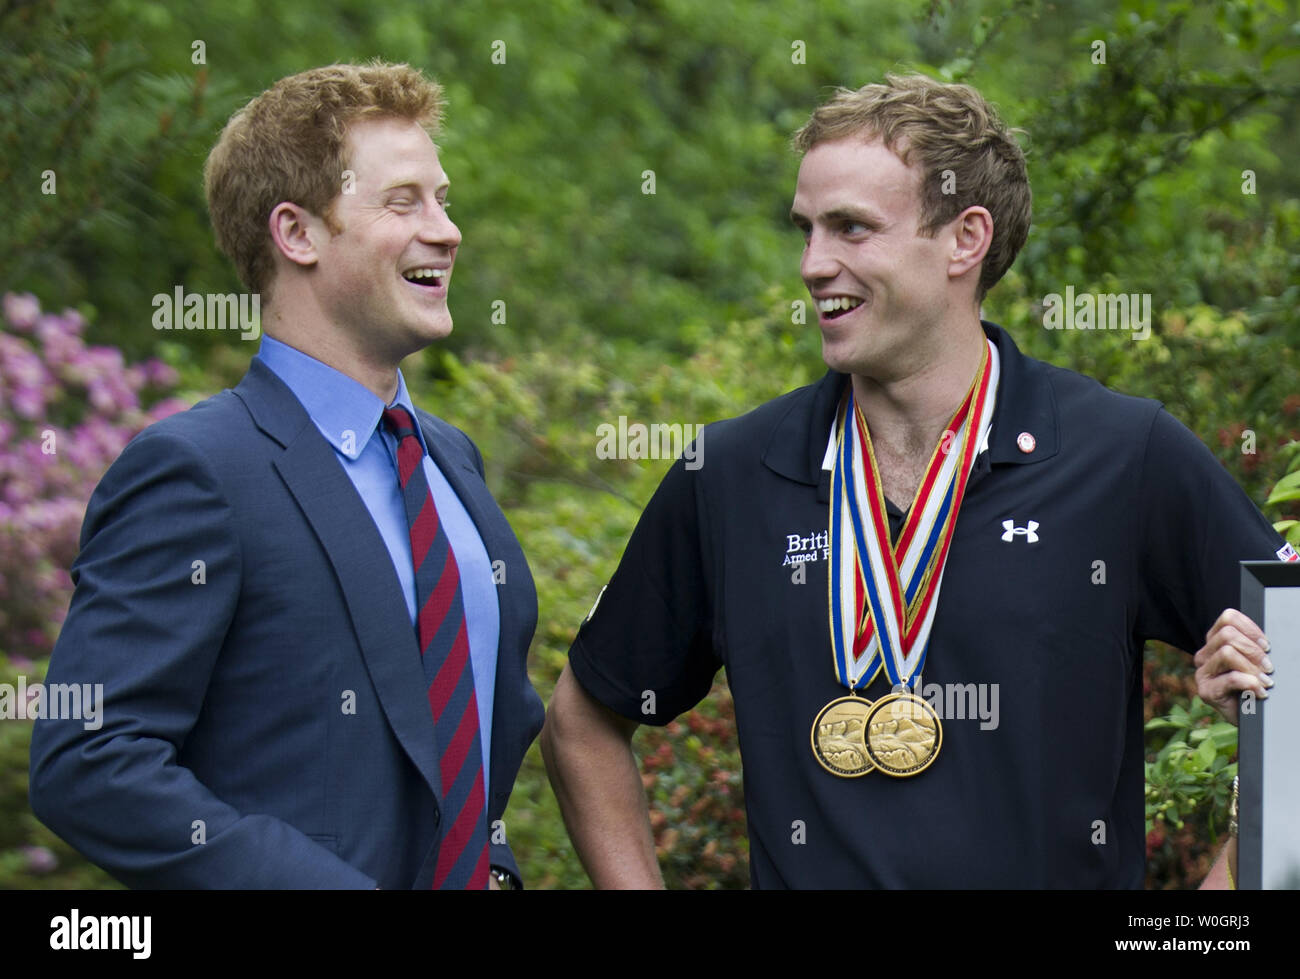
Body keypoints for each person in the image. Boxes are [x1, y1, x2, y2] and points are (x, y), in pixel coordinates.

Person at [540, 73, 1282, 888]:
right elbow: (583, 721)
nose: (814, 265)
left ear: (965, 238)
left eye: (851, 229)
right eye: (807, 230)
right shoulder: (730, 475)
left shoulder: (1121, 454)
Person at [29, 62, 542, 889]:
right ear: (297, 233)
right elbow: (88, 756)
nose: (446, 230)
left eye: (444, 200)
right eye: (404, 201)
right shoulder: (195, 470)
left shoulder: (452, 462)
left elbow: (473, 757)